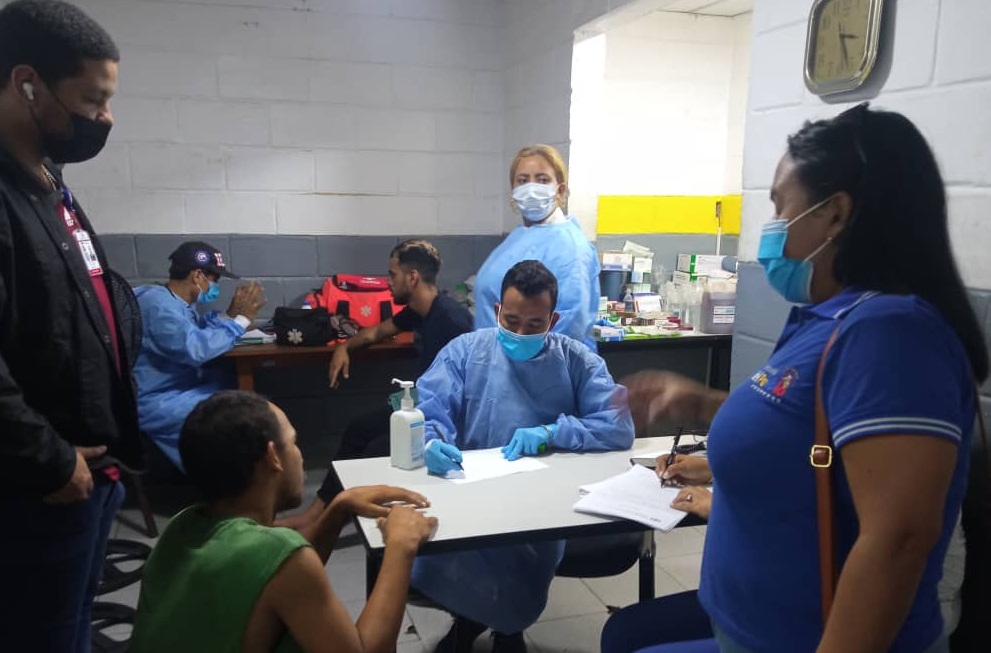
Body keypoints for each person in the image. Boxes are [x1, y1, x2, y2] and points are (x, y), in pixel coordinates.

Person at [623, 104, 988, 653]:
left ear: (835, 214)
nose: (770, 226)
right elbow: (804, 428)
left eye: (779, 205)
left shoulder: (891, 334)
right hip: (752, 625)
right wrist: (702, 403)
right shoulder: (829, 319)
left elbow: (897, 540)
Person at [0, 2, 143, 650]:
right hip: (36, 485)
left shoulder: (49, 182)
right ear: (27, 84)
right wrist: (50, 459)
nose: (104, 118)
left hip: (90, 470)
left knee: (72, 623)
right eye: (92, 99)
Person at [411, 260, 634, 652]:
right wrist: (430, 442)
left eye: (534, 325)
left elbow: (617, 425)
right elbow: (430, 408)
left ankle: (507, 628)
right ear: (497, 311)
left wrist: (553, 432)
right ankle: (469, 619)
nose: (520, 333)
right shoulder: (465, 352)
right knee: (460, 552)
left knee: (521, 559)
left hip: (543, 502)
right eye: (511, 321)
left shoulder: (576, 360)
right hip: (472, 491)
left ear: (553, 320)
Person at [130, 390, 439, 653]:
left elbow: (273, 572)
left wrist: (338, 508)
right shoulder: (278, 553)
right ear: (272, 457)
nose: (299, 455)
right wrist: (401, 545)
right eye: (293, 442)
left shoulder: (182, 526)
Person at [600, 453, 967, 653]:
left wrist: (721, 508)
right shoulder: (838, 436)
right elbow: (801, 473)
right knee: (625, 631)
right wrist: (714, 467)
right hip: (774, 599)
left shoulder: (898, 452)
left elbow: (844, 536)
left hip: (833, 616)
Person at [277, 240, 472, 531]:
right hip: (421, 402)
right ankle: (314, 514)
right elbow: (377, 332)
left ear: (412, 277)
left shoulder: (452, 319)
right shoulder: (419, 310)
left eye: (392, 275)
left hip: (442, 415)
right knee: (359, 427)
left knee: (375, 449)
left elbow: (467, 385)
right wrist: (344, 348)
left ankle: (328, 523)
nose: (388, 282)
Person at [133, 240, 266, 469]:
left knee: (234, 385)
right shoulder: (157, 305)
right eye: (214, 280)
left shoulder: (175, 303)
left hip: (179, 387)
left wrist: (230, 316)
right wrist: (241, 321)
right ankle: (222, 479)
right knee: (234, 413)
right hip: (158, 399)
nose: (215, 286)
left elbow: (195, 332)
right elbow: (196, 348)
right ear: (197, 276)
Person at [473, 144, 600, 349]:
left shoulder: (569, 247)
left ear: (560, 189)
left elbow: (568, 324)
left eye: (542, 180)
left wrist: (522, 363)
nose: (531, 189)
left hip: (534, 364)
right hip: (497, 358)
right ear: (514, 190)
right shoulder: (520, 236)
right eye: (523, 180)